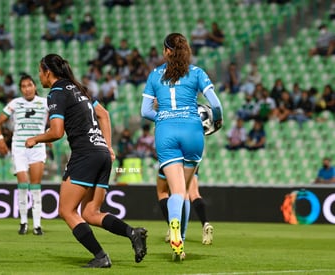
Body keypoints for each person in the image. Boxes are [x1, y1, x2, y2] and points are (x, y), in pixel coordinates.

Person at [24, 53, 147, 268]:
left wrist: (36, 138)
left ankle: (100, 256)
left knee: (66, 210)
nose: (39, 77)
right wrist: (108, 146)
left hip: (85, 154)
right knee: (90, 213)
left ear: (48, 72)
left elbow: (56, 132)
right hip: (101, 152)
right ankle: (132, 232)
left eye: (40, 72)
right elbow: (104, 114)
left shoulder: (57, 92)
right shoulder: (79, 89)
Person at [141, 33, 223, 260]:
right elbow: (215, 104)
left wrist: (164, 116)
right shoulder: (197, 72)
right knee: (185, 190)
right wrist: (217, 121)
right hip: (192, 130)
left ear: (167, 51)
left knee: (175, 190)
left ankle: (173, 226)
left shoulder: (154, 75)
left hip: (165, 132)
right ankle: (182, 239)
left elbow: (145, 111)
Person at [0, 74, 49, 236]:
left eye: (29, 85)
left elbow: (58, 121)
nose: (27, 89)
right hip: (19, 148)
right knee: (23, 184)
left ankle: (37, 225)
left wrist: (49, 133)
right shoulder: (15, 103)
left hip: (38, 147)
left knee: (36, 186)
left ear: (35, 87)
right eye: (23, 86)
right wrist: (0, 139)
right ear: (20, 89)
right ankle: (24, 222)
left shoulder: (45, 103)